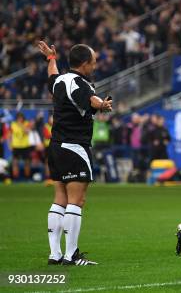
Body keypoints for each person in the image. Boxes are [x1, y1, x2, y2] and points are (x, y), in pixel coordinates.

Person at [38, 40, 113, 266]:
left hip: (57, 147)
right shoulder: (81, 83)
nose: (95, 65)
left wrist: (51, 58)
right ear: (84, 64)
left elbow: (52, 75)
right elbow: (92, 100)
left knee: (59, 200)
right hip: (74, 148)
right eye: (93, 61)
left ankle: (55, 254)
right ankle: (71, 255)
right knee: (76, 201)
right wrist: (102, 105)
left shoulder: (61, 80)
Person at [9, 112, 32, 180]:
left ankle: (27, 177)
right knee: (15, 162)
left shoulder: (26, 123)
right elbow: (9, 135)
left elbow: (27, 132)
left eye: (21, 118)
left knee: (27, 162)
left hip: (25, 146)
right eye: (18, 118)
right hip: (16, 146)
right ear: (17, 118)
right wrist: (10, 145)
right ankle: (15, 177)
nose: (20, 119)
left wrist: (21, 125)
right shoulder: (13, 124)